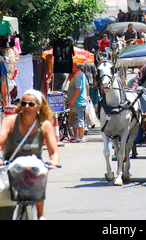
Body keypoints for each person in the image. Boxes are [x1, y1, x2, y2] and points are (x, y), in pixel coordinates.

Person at [0, 89, 60, 220]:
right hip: (11, 166)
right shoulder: (10, 121)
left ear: (39, 107)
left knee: (38, 179)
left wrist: (53, 162)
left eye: (31, 104)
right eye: (24, 103)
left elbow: (54, 152)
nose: (26, 107)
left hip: (34, 168)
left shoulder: (45, 125)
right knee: (4, 201)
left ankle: (40, 214)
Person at [67, 63, 89, 142]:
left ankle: (81, 136)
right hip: (76, 102)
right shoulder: (79, 75)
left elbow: (78, 89)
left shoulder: (78, 76)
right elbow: (87, 85)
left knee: (79, 119)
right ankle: (76, 135)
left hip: (77, 102)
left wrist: (72, 100)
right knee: (74, 118)